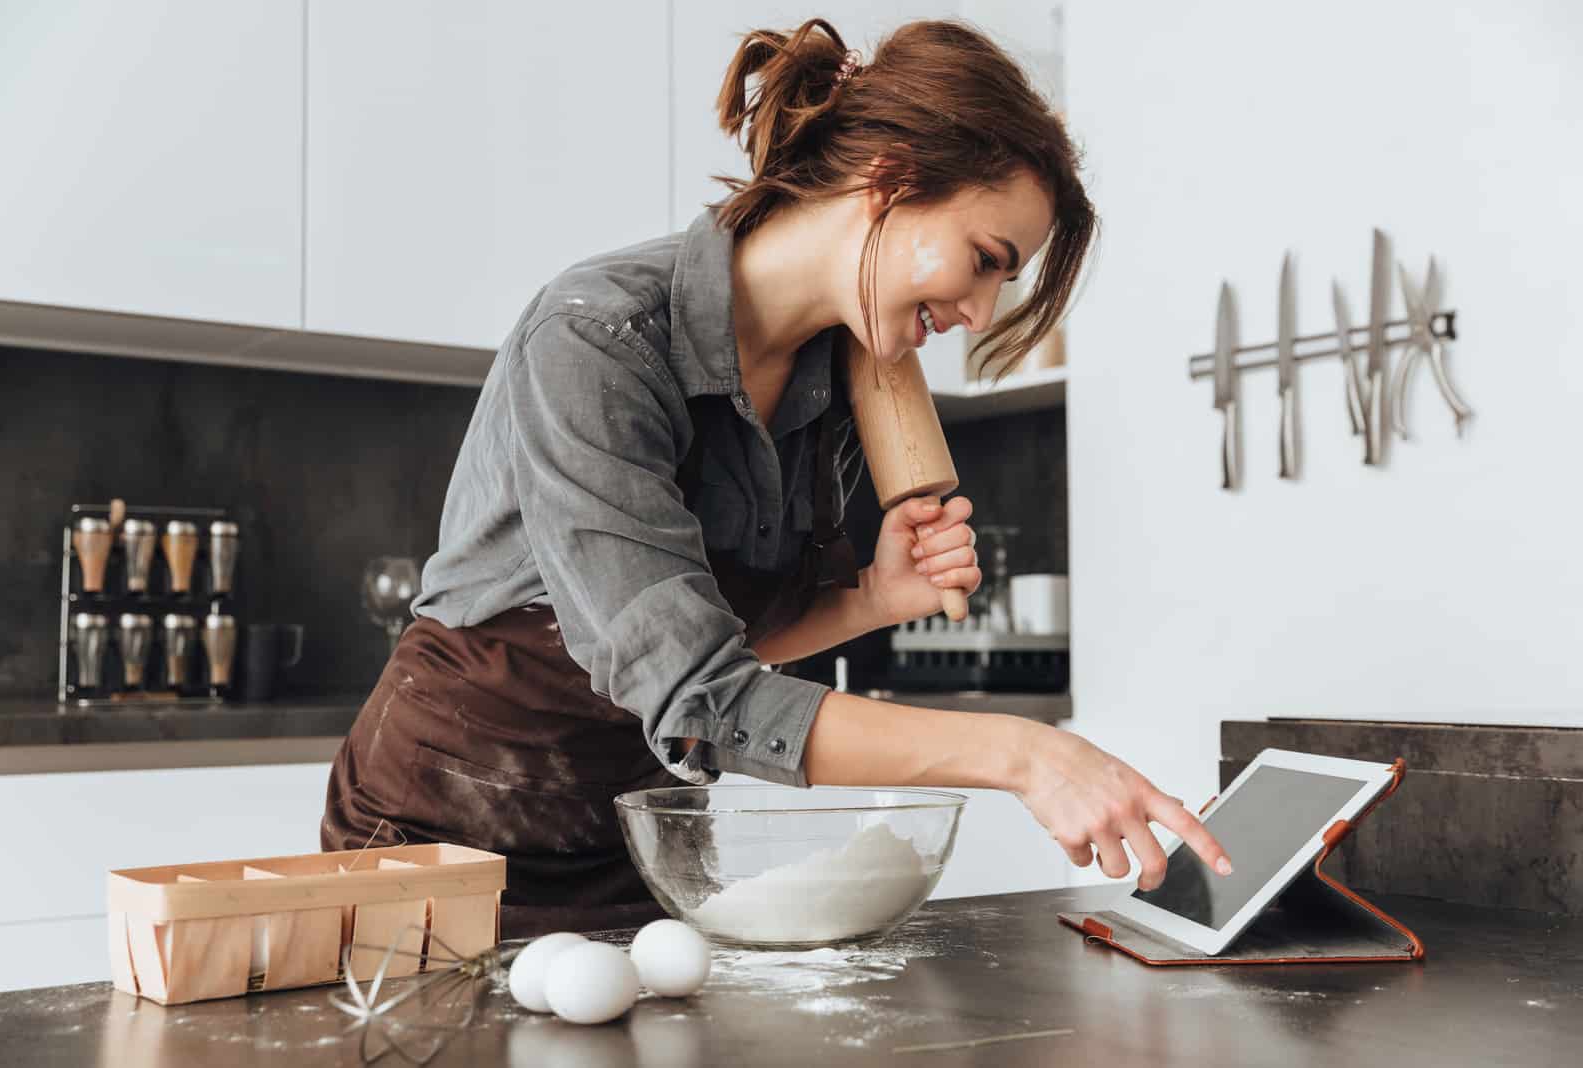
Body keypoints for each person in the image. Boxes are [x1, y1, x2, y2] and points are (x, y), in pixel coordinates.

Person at [321, 17, 1231, 938]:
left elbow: (731, 645)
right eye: (985, 260)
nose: (979, 310)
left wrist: (872, 599)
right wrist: (1025, 756)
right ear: (889, 183)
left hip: (638, 836)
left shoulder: (840, 374)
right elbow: (702, 701)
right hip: (440, 829)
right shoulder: (597, 337)